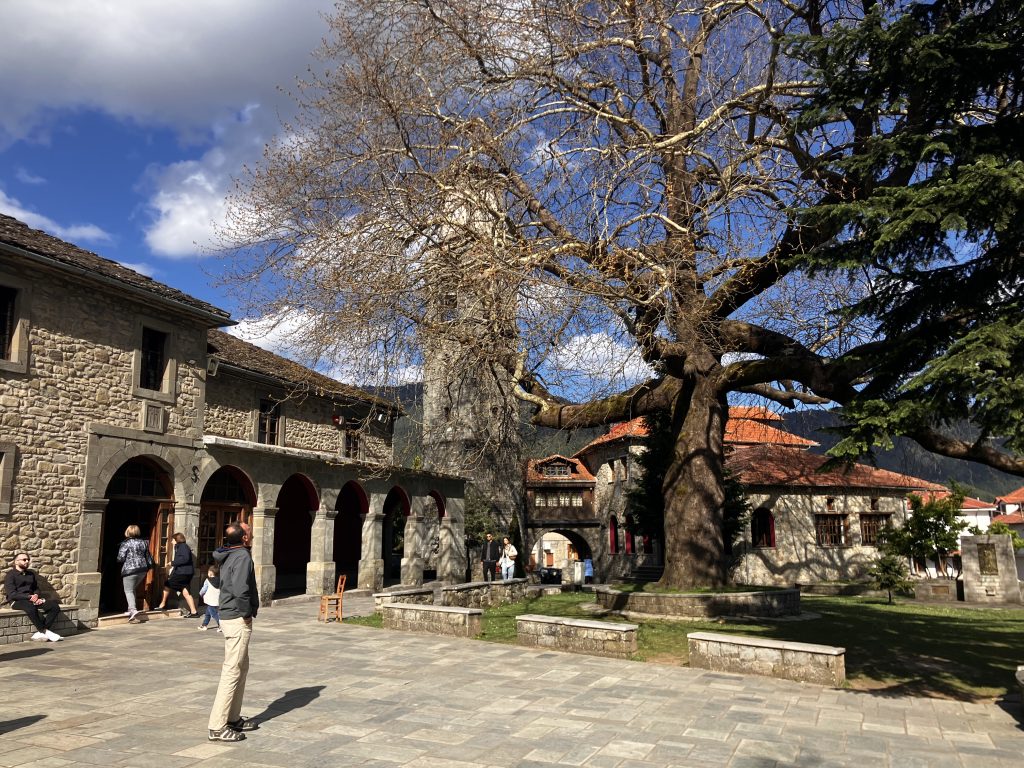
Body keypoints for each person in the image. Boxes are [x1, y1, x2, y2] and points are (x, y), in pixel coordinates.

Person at [207, 521, 259, 742]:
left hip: (230, 614)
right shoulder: (242, 556)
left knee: (241, 667)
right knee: (231, 670)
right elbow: (240, 589)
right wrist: (246, 612)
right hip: (237, 617)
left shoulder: (228, 553)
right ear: (244, 538)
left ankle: (233, 717)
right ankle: (217, 726)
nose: (251, 532)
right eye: (248, 530)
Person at [4, 553, 62, 642]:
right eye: (24, 560)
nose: (27, 561)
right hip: (17, 601)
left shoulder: (31, 574)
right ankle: (45, 631)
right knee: (31, 608)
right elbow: (12, 594)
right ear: (16, 562)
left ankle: (41, 632)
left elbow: (36, 588)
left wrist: (36, 595)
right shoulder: (10, 575)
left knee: (54, 606)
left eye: (28, 559)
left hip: (32, 599)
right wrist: (29, 597)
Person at [153, 532, 198, 617]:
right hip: (186, 572)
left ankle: (162, 605)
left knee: (167, 584)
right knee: (186, 592)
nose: (171, 542)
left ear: (177, 540)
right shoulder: (180, 547)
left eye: (173, 540)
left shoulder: (183, 546)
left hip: (183, 572)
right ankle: (194, 612)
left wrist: (172, 563)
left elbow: (185, 559)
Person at [117, 524, 152, 623]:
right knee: (132, 589)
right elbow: (148, 556)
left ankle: (133, 610)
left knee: (128, 590)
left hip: (130, 569)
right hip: (142, 569)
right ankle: (130, 609)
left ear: (127, 532)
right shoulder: (144, 542)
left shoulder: (126, 543)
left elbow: (120, 558)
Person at [198, 563, 221, 631]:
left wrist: (200, 593)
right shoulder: (220, 580)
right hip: (217, 599)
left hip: (210, 599)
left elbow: (204, 589)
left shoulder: (207, 580)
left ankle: (221, 625)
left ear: (210, 573)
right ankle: (204, 625)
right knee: (207, 613)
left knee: (214, 614)